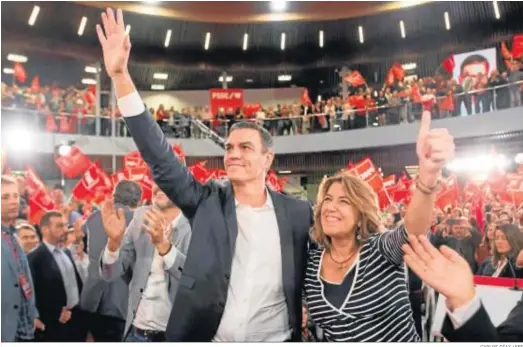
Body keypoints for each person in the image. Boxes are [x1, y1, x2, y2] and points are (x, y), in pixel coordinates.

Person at [96, 8, 312, 341]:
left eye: (245, 148)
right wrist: (122, 77)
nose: (233, 154)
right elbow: (160, 156)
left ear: (268, 159)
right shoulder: (207, 203)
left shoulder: (298, 214)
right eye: (228, 148)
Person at [303, 110, 455, 342]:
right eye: (327, 199)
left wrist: (428, 174)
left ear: (361, 214)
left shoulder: (379, 250)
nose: (330, 207)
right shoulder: (312, 261)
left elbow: (412, 232)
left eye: (344, 201)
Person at [99, 184, 192, 342]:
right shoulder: (141, 215)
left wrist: (165, 248)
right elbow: (110, 273)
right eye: (156, 178)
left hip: (175, 336)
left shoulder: (197, 221)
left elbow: (196, 281)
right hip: (136, 333)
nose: (160, 185)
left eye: (166, 178)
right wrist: (113, 244)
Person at [403, 234, 523, 342]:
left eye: (504, 238)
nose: (499, 242)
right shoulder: (488, 262)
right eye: (497, 238)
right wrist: (463, 303)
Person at [80, 180, 141, 342]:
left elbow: (82, 241)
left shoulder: (94, 217)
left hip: (90, 298)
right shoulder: (139, 221)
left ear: (114, 196)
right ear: (138, 200)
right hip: (120, 303)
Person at [28, 211, 87, 342]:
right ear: (45, 229)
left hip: (77, 320)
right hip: (53, 327)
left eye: (65, 225)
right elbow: (33, 294)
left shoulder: (66, 252)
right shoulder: (34, 258)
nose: (65, 230)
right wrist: (53, 315)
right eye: (59, 226)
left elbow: (76, 285)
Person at [1, 176, 42, 342]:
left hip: (21, 327)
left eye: (16, 195)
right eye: (5, 197)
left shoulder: (13, 237)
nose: (13, 202)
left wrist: (32, 313)